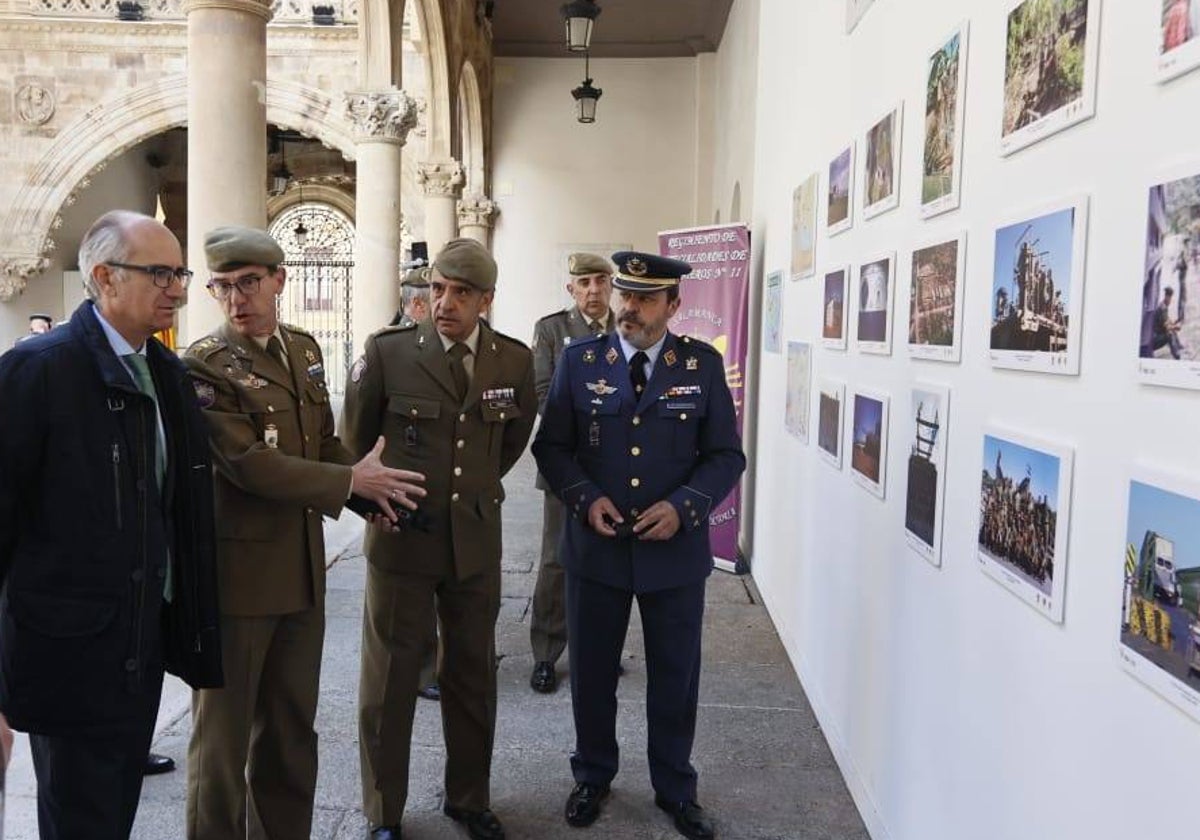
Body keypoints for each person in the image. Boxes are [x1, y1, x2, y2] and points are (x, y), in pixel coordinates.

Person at [182, 226, 426, 840]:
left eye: (249, 283)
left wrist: (377, 490)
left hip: (298, 576)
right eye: (222, 286)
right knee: (222, 744)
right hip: (238, 584)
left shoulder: (303, 349)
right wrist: (351, 484)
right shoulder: (204, 366)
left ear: (279, 280)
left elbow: (322, 443)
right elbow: (248, 464)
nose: (236, 298)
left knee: (292, 730)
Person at [0, 209, 223, 839]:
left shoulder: (167, 374)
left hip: (137, 645)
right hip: (67, 652)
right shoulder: (37, 371)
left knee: (112, 813)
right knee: (80, 821)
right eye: (160, 273)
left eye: (180, 272)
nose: (178, 288)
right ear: (104, 277)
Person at [532, 251, 745, 840]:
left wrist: (683, 508)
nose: (629, 307)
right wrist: (583, 497)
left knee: (676, 677)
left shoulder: (700, 367)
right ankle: (593, 775)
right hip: (596, 548)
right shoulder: (579, 361)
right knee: (593, 673)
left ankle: (675, 786)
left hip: (672, 554)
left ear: (673, 306)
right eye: (626, 295)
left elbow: (727, 456)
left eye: (645, 298)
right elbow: (552, 446)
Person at [343, 238, 536, 840]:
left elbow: (508, 444)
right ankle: (383, 811)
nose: (445, 302)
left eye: (461, 292)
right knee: (390, 680)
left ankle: (469, 799)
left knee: (472, 673)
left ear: (486, 300)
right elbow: (356, 439)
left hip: (474, 540)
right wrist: (377, 500)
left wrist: (471, 494)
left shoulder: (513, 361)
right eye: (438, 289)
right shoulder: (389, 352)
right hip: (403, 536)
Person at [529, 252, 616, 694]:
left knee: (610, 560)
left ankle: (602, 649)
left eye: (601, 281)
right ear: (572, 289)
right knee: (556, 558)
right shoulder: (552, 330)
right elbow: (542, 393)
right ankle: (546, 653)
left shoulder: (627, 329)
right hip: (568, 464)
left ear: (611, 286)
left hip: (619, 467)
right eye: (585, 283)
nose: (594, 291)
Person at [387, 265, 442, 701]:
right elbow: (359, 431)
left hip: (444, 492)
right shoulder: (388, 349)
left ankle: (432, 667)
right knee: (408, 606)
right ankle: (421, 671)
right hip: (400, 493)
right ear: (417, 304)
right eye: (432, 296)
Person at [1153, 286, 1184, 359]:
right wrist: (1176, 327)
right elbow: (1167, 327)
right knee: (1170, 334)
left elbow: (1167, 321)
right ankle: (1177, 356)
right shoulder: (1162, 308)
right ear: (1166, 297)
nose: (1170, 301)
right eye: (1170, 298)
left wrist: (1174, 323)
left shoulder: (1163, 306)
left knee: (1172, 331)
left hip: (1158, 333)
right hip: (1155, 338)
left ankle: (1179, 347)